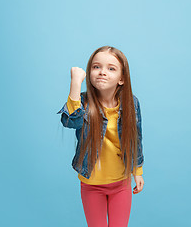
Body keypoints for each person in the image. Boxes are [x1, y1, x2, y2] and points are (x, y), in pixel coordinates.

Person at [57, 45, 144, 227]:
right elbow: (70, 121)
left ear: (122, 79)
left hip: (121, 183)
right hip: (91, 184)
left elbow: (135, 139)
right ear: (89, 73)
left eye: (111, 68)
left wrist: (138, 170)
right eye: (96, 67)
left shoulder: (131, 103)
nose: (102, 72)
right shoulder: (83, 104)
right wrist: (75, 83)